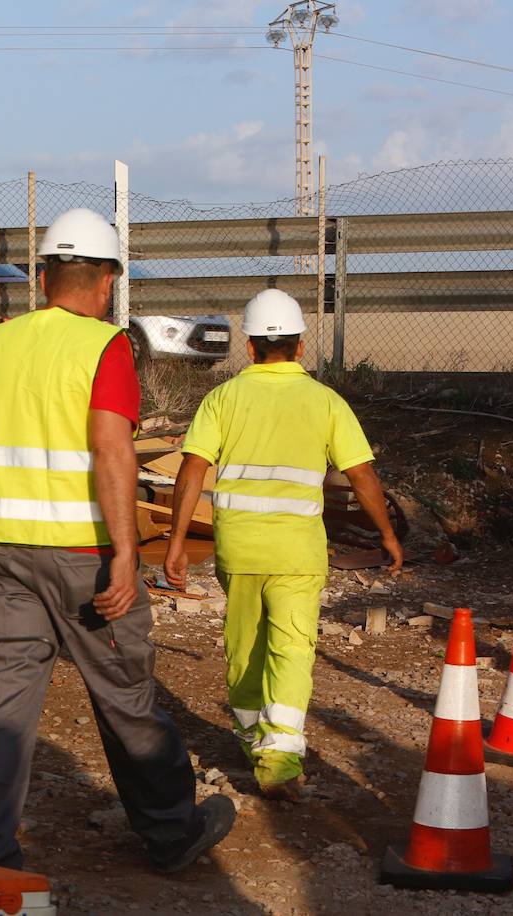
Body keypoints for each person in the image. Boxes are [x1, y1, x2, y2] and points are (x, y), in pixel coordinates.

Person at [0, 208, 235, 873]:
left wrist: (0, 506)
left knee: (5, 702)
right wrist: (128, 555)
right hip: (84, 556)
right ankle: (170, 832)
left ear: (44, 276)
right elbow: (112, 451)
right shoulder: (103, 347)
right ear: (107, 281)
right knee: (124, 694)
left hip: (3, 549)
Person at [163, 288, 404, 801]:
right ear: (300, 346)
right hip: (297, 554)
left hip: (239, 550)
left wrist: (177, 541)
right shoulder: (325, 401)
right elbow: (361, 474)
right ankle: (279, 756)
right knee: (292, 649)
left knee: (245, 646)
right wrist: (386, 533)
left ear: (248, 347)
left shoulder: (223, 398)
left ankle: (254, 739)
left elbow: (192, 469)